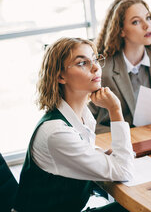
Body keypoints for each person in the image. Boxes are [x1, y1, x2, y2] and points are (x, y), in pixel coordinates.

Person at [13, 37, 133, 212]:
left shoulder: (82, 116)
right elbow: (123, 171)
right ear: (61, 76)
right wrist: (115, 110)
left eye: (94, 59)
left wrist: (98, 156)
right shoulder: (56, 132)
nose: (95, 67)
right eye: (82, 63)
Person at [90, 0, 151, 134]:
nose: (147, 25)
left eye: (148, 18)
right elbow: (88, 119)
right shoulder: (102, 68)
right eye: (136, 22)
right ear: (121, 30)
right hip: (117, 141)